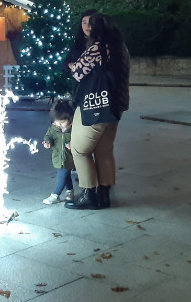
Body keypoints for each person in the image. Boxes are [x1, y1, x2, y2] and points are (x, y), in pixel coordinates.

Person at [64, 12, 130, 210]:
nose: (88, 28)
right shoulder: (121, 48)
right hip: (116, 106)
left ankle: (88, 195)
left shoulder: (97, 48)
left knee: (79, 149)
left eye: (91, 25)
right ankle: (104, 196)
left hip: (95, 105)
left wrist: (70, 64)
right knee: (104, 151)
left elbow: (77, 72)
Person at [41, 99, 76, 205]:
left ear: (70, 119)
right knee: (66, 175)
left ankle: (55, 195)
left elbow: (80, 140)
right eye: (56, 122)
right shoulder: (53, 128)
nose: (59, 125)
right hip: (58, 156)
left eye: (62, 122)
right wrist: (48, 142)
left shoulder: (74, 129)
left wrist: (73, 145)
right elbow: (48, 136)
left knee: (62, 174)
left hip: (69, 157)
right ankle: (70, 191)